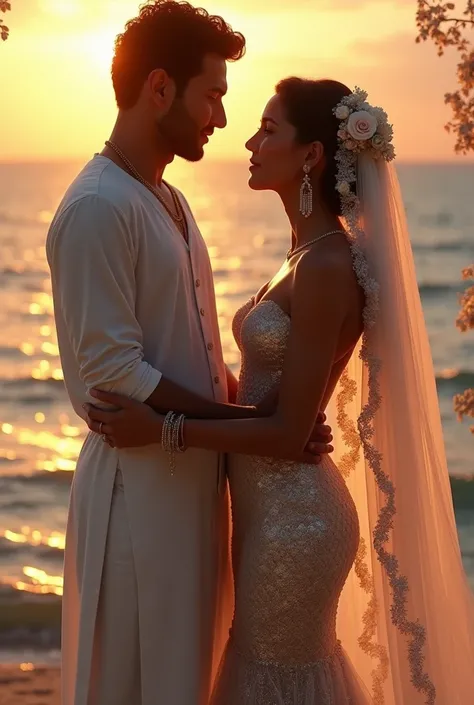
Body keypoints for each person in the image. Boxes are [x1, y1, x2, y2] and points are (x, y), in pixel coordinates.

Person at [86, 77, 474, 705]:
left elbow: (290, 433)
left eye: (269, 130)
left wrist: (160, 429)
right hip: (269, 511)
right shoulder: (302, 255)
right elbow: (271, 398)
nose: (249, 140)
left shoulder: (325, 268)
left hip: (298, 522)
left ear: (313, 154)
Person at [46, 3, 332, 704]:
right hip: (135, 499)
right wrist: (246, 423)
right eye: (213, 95)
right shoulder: (97, 208)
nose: (222, 119)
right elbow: (115, 377)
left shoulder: (169, 200)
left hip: (190, 488)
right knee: (132, 681)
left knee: (187, 680)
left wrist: (262, 416)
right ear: (159, 88)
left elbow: (194, 345)